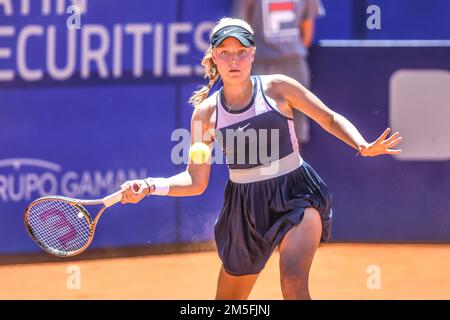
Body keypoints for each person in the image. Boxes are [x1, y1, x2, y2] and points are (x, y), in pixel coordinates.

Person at [120, 18, 402, 300]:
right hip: (244, 210)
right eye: (226, 52)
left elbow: (327, 118)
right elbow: (196, 179)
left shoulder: (278, 88)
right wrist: (148, 185)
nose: (234, 60)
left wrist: (361, 144)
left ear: (253, 54)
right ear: (214, 57)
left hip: (297, 195)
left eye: (241, 51)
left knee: (293, 281)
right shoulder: (204, 115)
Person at [233, 0, 326, 151]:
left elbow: (307, 35)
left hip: (294, 65)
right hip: (259, 65)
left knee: (295, 135)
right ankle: (262, 174)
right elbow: (241, 29)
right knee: (257, 132)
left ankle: (292, 174)